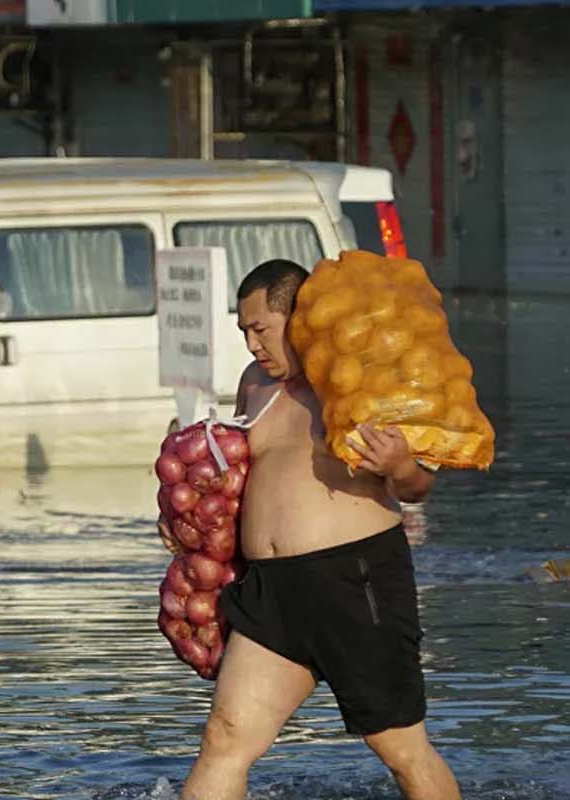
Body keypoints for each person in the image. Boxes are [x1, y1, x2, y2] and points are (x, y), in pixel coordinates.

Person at [181, 259, 460, 800]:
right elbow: (244, 477)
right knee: (225, 738)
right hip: (272, 593)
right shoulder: (254, 384)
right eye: (243, 332)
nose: (252, 345)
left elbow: (417, 485)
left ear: (298, 316)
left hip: (354, 581)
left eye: (260, 329)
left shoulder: (357, 378)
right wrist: (190, 520)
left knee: (402, 749)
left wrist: (398, 464)